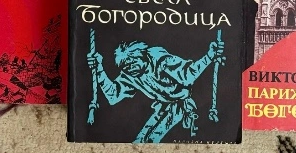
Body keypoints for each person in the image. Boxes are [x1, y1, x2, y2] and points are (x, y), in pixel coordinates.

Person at [86, 38, 224, 143]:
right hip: (163, 107)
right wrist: (99, 70)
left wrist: (209, 56)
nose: (130, 69)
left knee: (152, 141)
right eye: (125, 67)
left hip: (180, 105)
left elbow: (188, 75)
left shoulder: (161, 60)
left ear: (140, 56)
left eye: (131, 64)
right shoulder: (130, 74)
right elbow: (113, 95)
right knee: (140, 141)